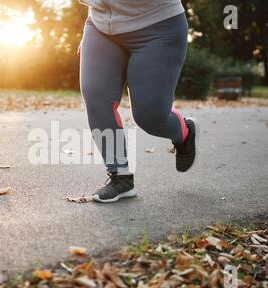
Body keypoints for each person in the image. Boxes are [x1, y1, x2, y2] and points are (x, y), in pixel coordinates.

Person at [79, 0, 199, 203]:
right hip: (101, 25)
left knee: (149, 117)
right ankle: (120, 177)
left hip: (159, 25)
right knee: (96, 96)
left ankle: (184, 131)